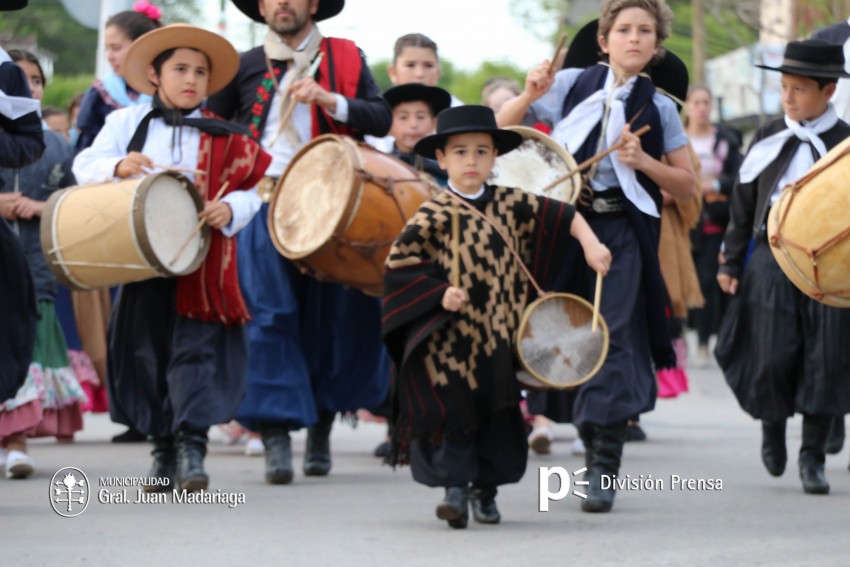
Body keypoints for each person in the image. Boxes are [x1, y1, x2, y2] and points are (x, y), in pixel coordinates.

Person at [497, 1, 696, 513]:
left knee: (612, 335)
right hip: (563, 226)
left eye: (645, 31)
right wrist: (529, 94)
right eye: (624, 29)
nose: (635, 38)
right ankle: (581, 432)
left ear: (656, 45)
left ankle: (602, 464)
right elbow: (500, 131)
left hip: (625, 229)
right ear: (604, 41)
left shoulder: (661, 108)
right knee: (559, 327)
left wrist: (643, 161)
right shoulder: (568, 84)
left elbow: (685, 184)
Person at [383, 104, 610, 528]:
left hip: (500, 336)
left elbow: (565, 215)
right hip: (450, 343)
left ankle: (485, 493)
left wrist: (591, 244)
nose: (471, 161)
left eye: (481, 152)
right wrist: (438, 293)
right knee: (453, 412)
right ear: (442, 159)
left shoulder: (513, 202)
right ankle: (455, 492)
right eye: (460, 152)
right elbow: (400, 265)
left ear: (494, 157)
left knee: (495, 414)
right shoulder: (433, 213)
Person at [72, 24, 271, 492]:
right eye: (180, 69)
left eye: (200, 72)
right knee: (146, 354)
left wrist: (230, 208)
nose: (191, 79)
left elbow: (253, 191)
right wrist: (116, 165)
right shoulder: (126, 123)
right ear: (154, 75)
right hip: (140, 262)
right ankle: (162, 452)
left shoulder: (227, 135)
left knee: (194, 353)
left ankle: (192, 450)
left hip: (201, 265)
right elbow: (84, 165)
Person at [207, 0, 392, 486]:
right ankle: (274, 434)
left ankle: (322, 427)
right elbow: (213, 130)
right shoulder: (243, 65)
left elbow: (381, 118)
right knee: (268, 317)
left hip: (334, 207)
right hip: (264, 205)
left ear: (313, 4)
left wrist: (331, 101)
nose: (282, 3)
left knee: (334, 317)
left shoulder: (345, 57)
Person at [715, 39, 850, 495]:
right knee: (771, 354)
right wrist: (732, 262)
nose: (788, 98)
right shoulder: (767, 135)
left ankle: (813, 457)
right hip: (772, 260)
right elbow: (742, 204)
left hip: (830, 269)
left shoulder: (845, 144)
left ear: (829, 91)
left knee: (826, 359)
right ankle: (772, 427)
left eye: (799, 89)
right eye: (784, 87)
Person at [69, 1, 163, 444]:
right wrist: (115, 167)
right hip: (115, 217)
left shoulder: (180, 98)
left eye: (117, 47)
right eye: (107, 48)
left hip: (169, 218)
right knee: (128, 318)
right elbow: (83, 156)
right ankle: (136, 413)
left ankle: (177, 412)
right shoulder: (105, 98)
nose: (110, 56)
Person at [0, 49, 85, 476]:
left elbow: (76, 199)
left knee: (18, 347)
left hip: (35, 266)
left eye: (36, 81)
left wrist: (40, 207)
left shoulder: (56, 146)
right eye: (24, 80)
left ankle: (17, 440)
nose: (29, 87)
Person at [684, 85, 743, 366]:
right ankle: (678, 336)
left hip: (714, 224)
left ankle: (704, 342)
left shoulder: (724, 141)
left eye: (706, 102)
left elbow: (740, 176)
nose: (702, 108)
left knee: (708, 281)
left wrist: (714, 186)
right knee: (680, 281)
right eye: (696, 102)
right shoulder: (676, 138)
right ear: (687, 106)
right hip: (682, 222)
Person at [366, 33, 462, 153]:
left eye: (428, 65)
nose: (419, 73)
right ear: (392, 72)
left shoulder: (458, 112)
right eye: (410, 65)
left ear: (438, 72)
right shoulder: (376, 112)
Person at [383, 83, 450, 185]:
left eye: (420, 117)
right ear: (388, 125)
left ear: (433, 124)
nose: (413, 124)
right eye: (403, 117)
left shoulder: (446, 170)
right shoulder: (380, 167)